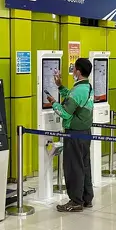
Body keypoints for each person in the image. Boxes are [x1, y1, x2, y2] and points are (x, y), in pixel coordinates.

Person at [46, 58, 95, 213]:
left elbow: (66, 113)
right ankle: (86, 198)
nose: (72, 71)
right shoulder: (86, 86)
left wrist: (54, 104)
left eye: (74, 69)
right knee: (84, 165)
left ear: (78, 72)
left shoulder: (78, 90)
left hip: (75, 134)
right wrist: (60, 87)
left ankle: (75, 201)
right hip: (85, 132)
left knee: (74, 167)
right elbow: (72, 97)